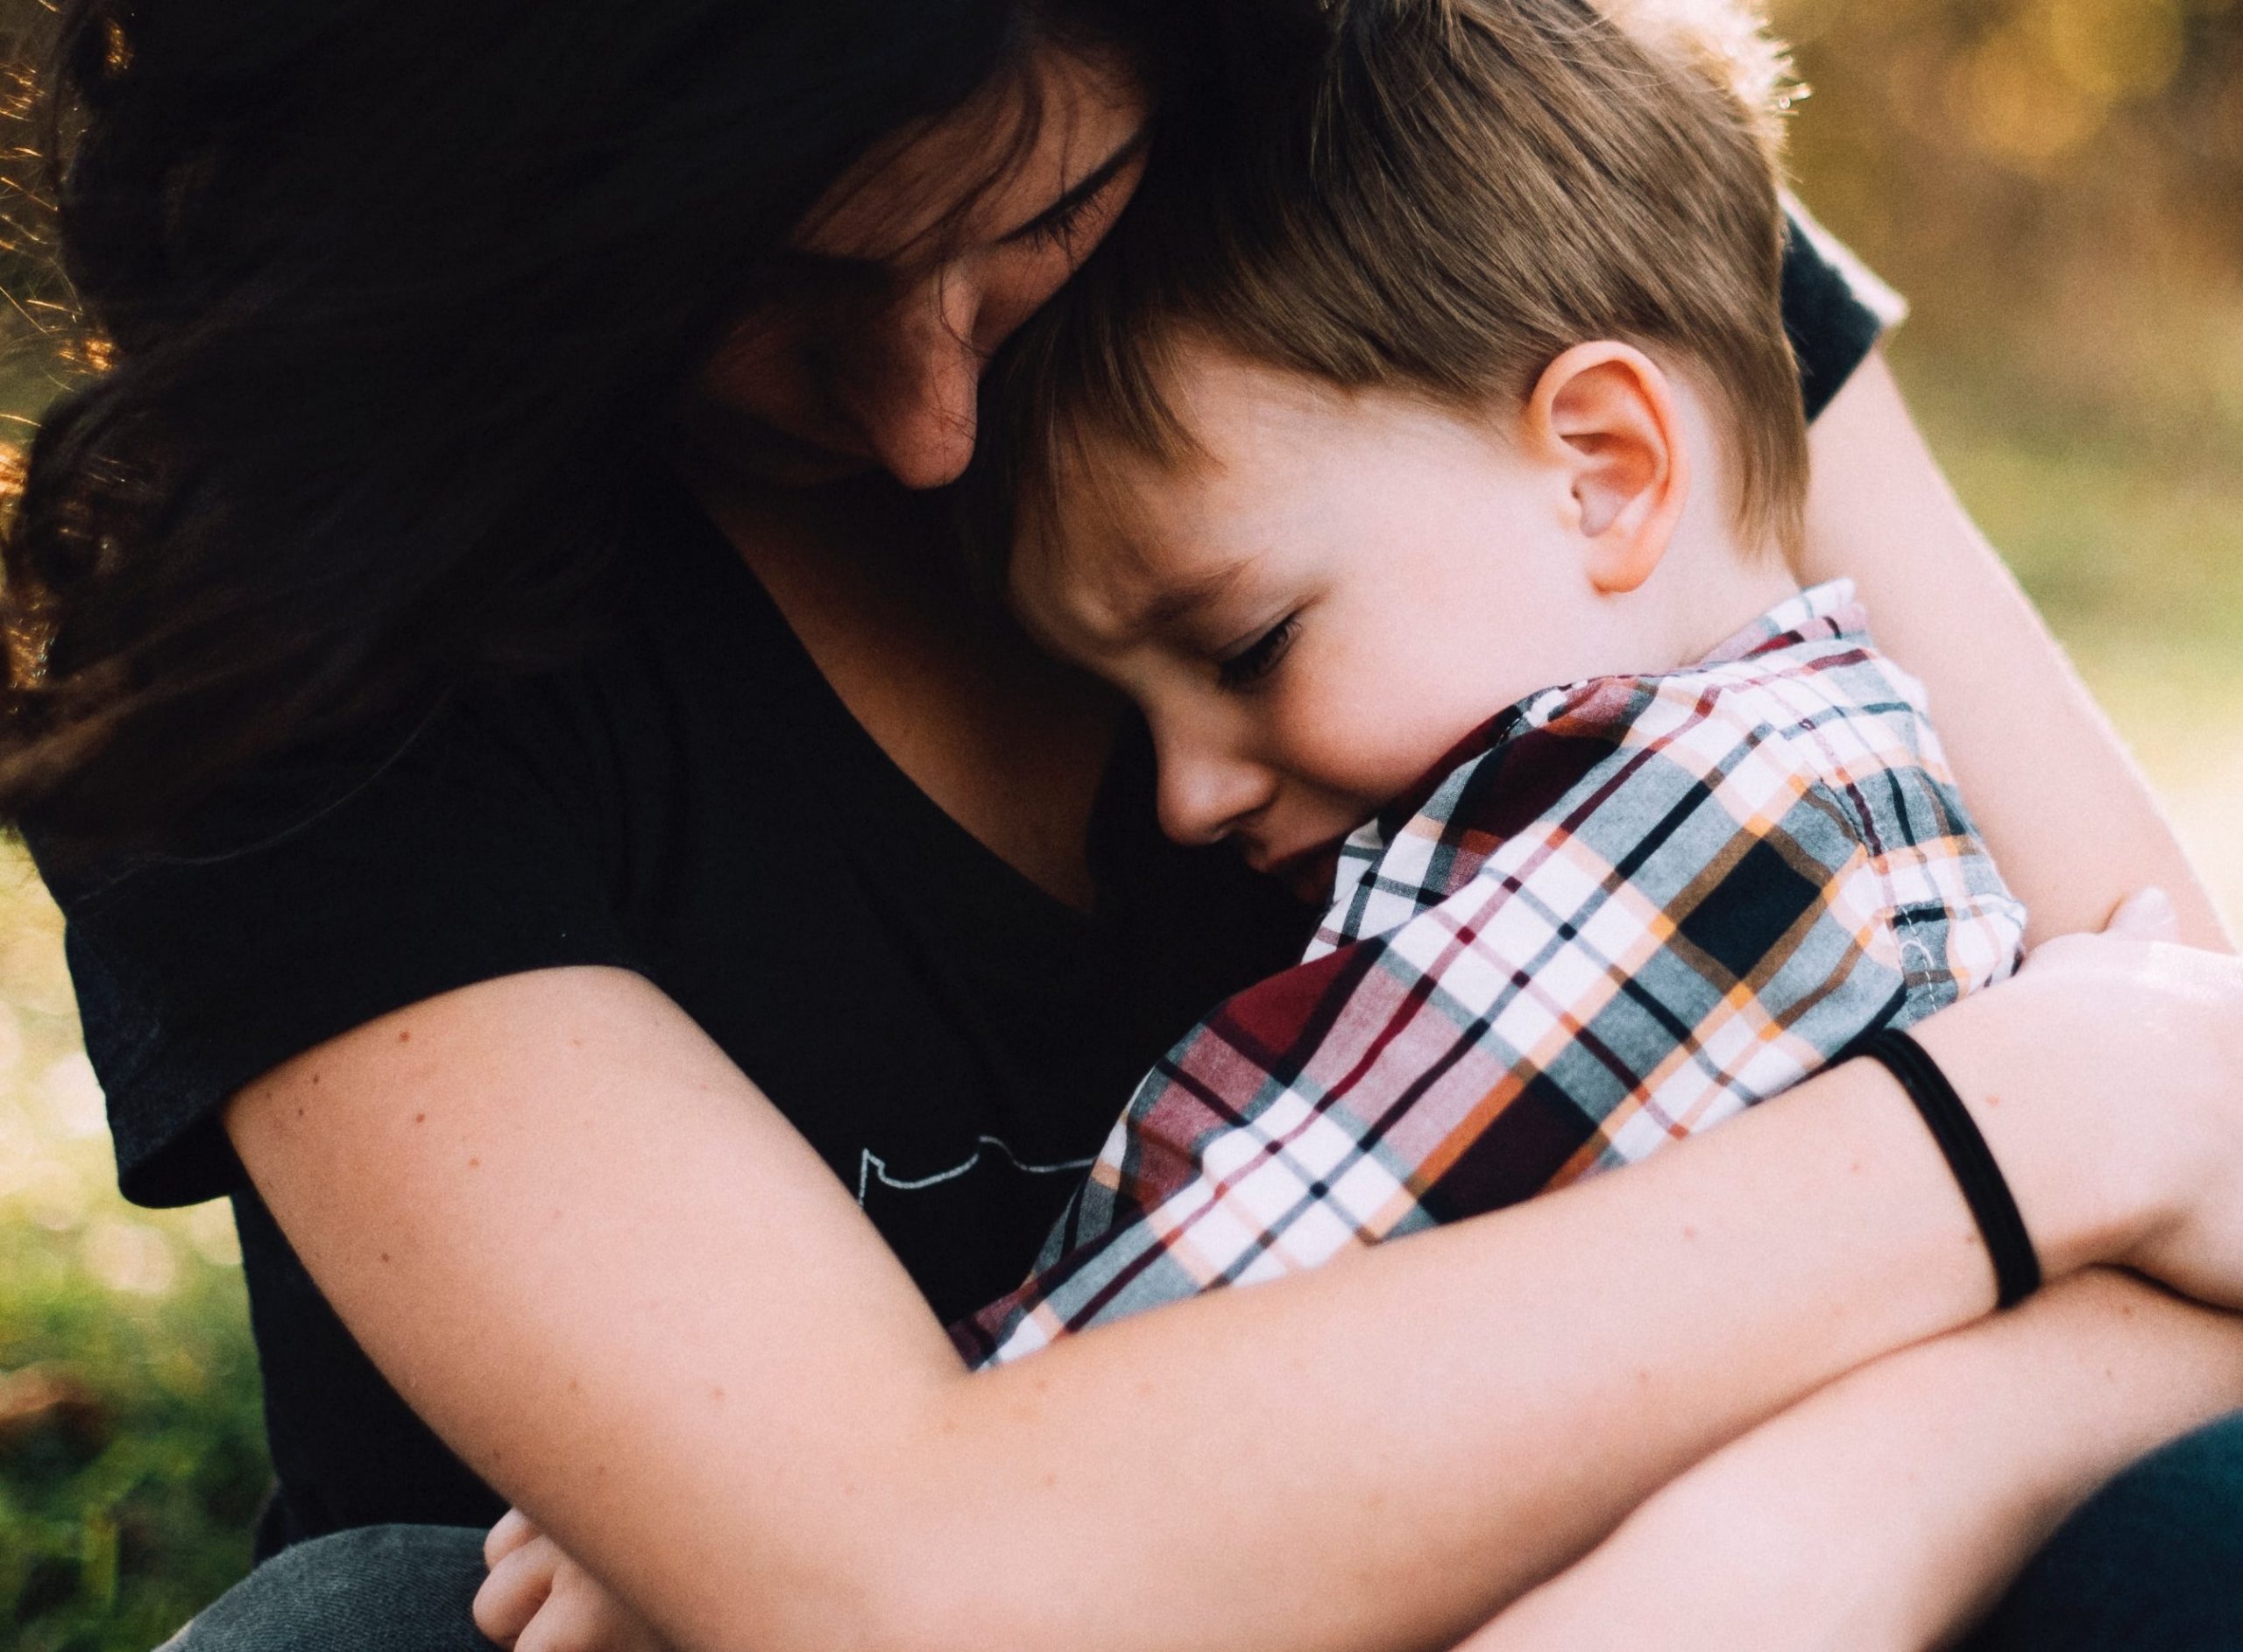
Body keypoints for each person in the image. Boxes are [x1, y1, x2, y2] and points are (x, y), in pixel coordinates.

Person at [0, 4, 2238, 1651]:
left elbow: (2213, 1206)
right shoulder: (280, 612)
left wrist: (1832, 1514)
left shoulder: (1506, 224)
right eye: (750, 288)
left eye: (1039, 217)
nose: (923, 425)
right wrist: (2032, 1125)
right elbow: (892, 1586)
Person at [953, 0, 2033, 1366]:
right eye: (1129, 704)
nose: (1181, 796)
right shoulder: (1785, 780)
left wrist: (767, 1523)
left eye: (1248, 646)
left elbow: (1171, 1349)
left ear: (1602, 472)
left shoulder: (1714, 827)